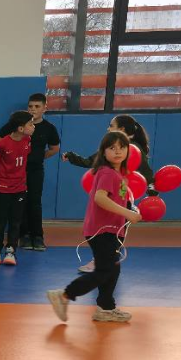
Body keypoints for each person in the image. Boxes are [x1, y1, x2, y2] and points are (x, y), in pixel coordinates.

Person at [47, 131, 141, 323]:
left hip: (112, 230)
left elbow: (118, 199)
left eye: (122, 147)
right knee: (104, 270)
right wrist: (127, 213)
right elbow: (100, 198)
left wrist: (131, 208)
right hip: (102, 231)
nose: (117, 151)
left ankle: (106, 308)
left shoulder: (118, 174)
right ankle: (64, 295)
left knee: (113, 268)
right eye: (112, 148)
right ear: (103, 152)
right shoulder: (107, 172)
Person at [63, 114, 152, 274]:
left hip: (123, 202)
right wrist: (72, 157)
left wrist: (148, 191)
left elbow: (146, 174)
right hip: (113, 205)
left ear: (122, 129)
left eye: (111, 125)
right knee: (107, 237)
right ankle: (102, 262)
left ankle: (103, 263)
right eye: (113, 149)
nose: (108, 128)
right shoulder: (107, 171)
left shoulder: (132, 153)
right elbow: (92, 164)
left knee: (114, 238)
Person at [0, 93, 60, 251]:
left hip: (35, 169)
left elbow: (54, 148)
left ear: (44, 108)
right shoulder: (15, 125)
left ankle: (37, 236)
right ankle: (23, 236)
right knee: (18, 204)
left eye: (37, 106)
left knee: (34, 202)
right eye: (30, 106)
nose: (33, 109)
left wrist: (39, 157)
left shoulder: (49, 128)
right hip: (15, 172)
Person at [0, 111, 35, 266]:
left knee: (15, 221)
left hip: (19, 188)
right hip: (2, 188)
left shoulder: (28, 140)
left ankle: (11, 250)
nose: (33, 126)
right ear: (21, 128)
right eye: (30, 124)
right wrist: (0, 181)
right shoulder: (2, 144)